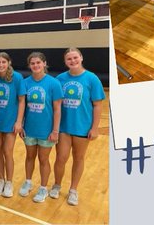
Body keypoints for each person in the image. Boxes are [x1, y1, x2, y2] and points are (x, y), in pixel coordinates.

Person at [50, 48, 104, 207]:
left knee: (78, 158)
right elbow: (54, 104)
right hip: (64, 127)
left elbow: (98, 105)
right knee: (61, 157)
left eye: (75, 58)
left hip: (83, 127)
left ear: (81, 58)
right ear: (65, 62)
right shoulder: (60, 79)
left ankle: (73, 190)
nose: (73, 61)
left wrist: (95, 128)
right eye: (69, 59)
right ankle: (57, 185)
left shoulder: (92, 79)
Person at [16, 52, 62, 203]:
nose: (35, 65)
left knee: (44, 159)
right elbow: (22, 104)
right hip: (29, 128)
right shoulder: (25, 82)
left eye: (38, 63)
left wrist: (55, 130)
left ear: (44, 64)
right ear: (29, 66)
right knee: (29, 157)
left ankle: (43, 188)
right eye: (32, 63)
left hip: (46, 131)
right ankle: (28, 182)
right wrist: (21, 124)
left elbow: (57, 109)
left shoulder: (53, 83)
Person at [0, 51, 24, 198]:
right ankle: (1, 180)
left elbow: (22, 101)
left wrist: (19, 121)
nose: (1, 65)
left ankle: (9, 182)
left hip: (11, 122)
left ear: (9, 63)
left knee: (7, 151)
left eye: (4, 62)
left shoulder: (17, 77)